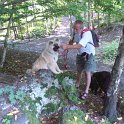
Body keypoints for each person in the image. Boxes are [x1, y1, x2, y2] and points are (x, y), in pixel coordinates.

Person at [61, 20, 96, 99]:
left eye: (77, 29)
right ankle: (77, 84)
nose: (75, 30)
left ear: (81, 28)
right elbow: (71, 41)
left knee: (87, 72)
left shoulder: (87, 33)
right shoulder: (75, 33)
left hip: (89, 54)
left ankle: (86, 91)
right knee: (79, 70)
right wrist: (65, 50)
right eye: (74, 28)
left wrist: (66, 47)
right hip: (80, 54)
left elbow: (80, 45)